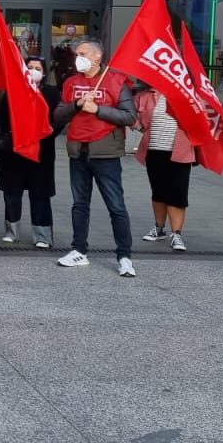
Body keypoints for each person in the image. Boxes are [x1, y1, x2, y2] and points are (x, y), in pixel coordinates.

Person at [51, 36, 139, 277]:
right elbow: (59, 115)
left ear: (98, 56)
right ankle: (79, 250)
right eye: (77, 54)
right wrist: (77, 104)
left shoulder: (116, 81)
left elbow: (130, 116)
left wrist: (98, 109)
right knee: (80, 204)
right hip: (78, 150)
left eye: (83, 54)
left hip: (106, 152)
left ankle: (124, 256)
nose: (78, 58)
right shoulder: (71, 82)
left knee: (116, 205)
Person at [0, 56, 61, 247]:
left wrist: (48, 132)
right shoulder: (13, 90)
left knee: (40, 194)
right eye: (30, 67)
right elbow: (0, 115)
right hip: (14, 150)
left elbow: (58, 119)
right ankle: (11, 231)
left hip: (41, 151)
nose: (33, 71)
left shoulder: (52, 93)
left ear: (44, 73)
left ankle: (42, 236)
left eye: (38, 68)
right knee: (11, 192)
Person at [134, 84, 197, 252]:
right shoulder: (146, 95)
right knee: (158, 192)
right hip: (154, 150)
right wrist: (140, 127)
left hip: (180, 151)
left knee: (177, 194)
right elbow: (129, 113)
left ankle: (176, 234)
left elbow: (200, 119)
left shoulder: (186, 95)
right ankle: (159, 228)